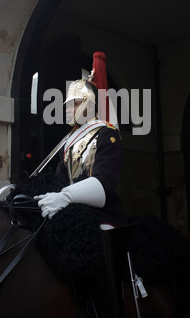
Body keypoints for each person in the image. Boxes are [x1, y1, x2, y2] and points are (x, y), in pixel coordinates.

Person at [34, 52, 126, 229]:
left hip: (102, 212)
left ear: (89, 104)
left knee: (104, 235)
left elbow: (104, 181)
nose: (68, 109)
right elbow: (60, 180)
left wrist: (66, 196)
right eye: (67, 104)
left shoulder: (107, 134)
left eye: (74, 103)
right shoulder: (69, 141)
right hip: (70, 208)